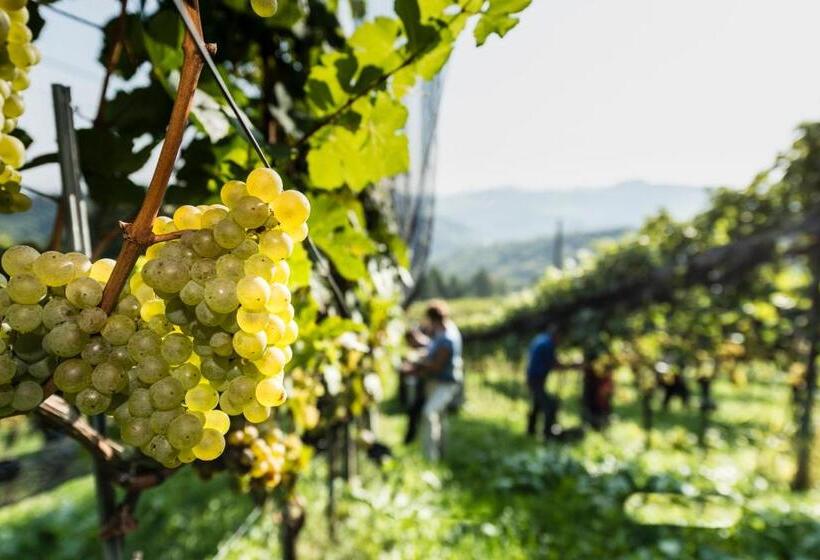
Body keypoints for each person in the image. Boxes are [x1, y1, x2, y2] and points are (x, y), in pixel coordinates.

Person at [401, 300, 463, 461]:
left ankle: (431, 457)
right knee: (440, 417)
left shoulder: (447, 337)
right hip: (438, 382)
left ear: (432, 318)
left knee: (429, 413)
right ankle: (442, 453)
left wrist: (415, 366)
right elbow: (432, 350)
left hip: (446, 383)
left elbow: (436, 366)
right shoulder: (442, 332)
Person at [525, 329, 561, 439]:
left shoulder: (540, 339)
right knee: (550, 405)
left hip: (532, 377)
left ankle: (530, 432)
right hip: (537, 378)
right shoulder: (547, 344)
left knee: (537, 404)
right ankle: (548, 435)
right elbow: (554, 364)